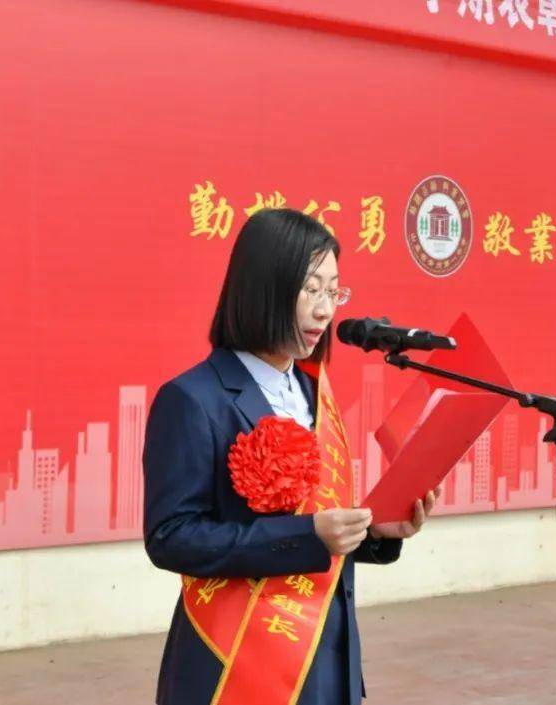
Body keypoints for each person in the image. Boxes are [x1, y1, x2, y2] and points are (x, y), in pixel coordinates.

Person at [143, 208, 438, 705]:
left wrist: (374, 533)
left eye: (334, 291)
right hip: (234, 659)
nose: (325, 311)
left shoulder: (311, 391)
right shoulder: (194, 399)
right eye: (310, 289)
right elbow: (171, 538)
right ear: (264, 288)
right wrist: (306, 536)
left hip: (326, 656)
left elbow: (320, 527)